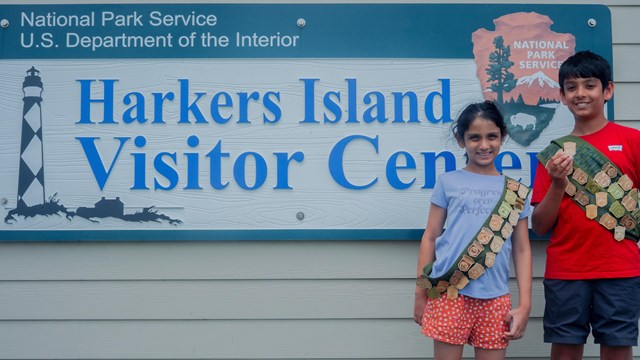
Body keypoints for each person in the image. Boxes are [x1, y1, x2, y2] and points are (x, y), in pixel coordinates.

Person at [531, 50, 640, 360]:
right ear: (563, 96)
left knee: (618, 347)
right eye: (571, 87)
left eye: (589, 85)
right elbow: (539, 226)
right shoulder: (553, 153)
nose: (580, 93)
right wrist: (558, 183)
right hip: (566, 270)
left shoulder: (633, 140)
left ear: (607, 90)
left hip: (621, 267)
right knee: (565, 349)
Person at [413, 100, 532, 360]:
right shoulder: (448, 182)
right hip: (449, 293)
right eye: (474, 137)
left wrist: (525, 304)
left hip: (495, 298)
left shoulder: (515, 193)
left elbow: (522, 249)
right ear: (460, 140)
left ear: (503, 136)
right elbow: (430, 237)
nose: (484, 145)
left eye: (492, 136)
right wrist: (420, 293)